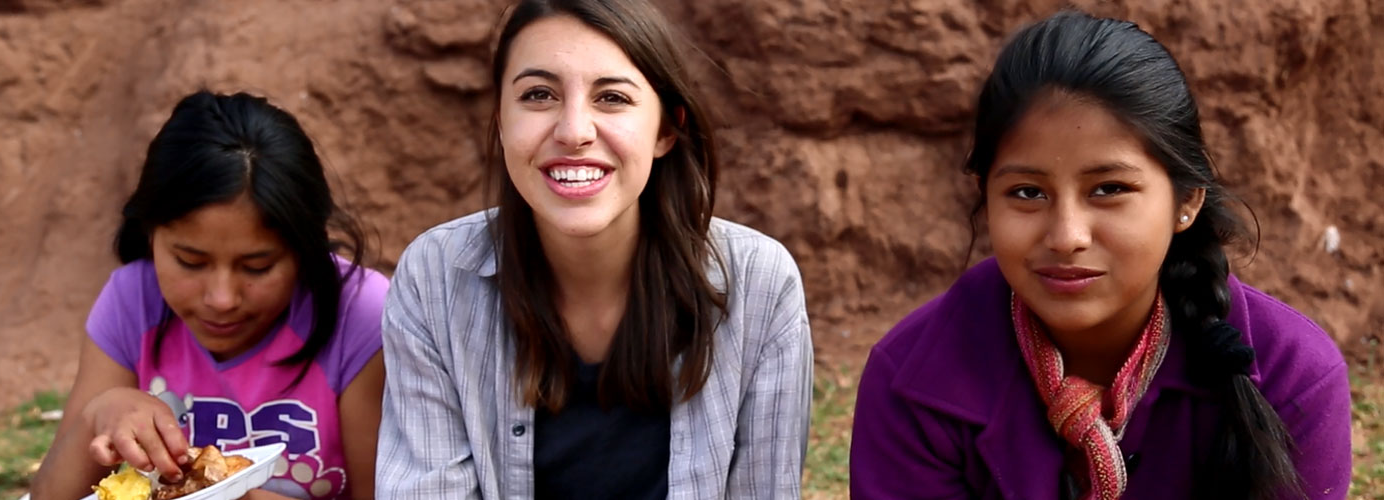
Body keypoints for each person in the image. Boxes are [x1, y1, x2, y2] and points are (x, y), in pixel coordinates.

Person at [849, 10, 1351, 500]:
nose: (1067, 236)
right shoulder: (913, 379)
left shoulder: (1290, 375)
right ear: (986, 196)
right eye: (1027, 193)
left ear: (1187, 201)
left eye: (1109, 188)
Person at [374, 0, 813, 498]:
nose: (574, 131)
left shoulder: (758, 283)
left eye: (612, 98)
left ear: (666, 129)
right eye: (539, 95)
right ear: (500, 120)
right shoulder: (435, 277)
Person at [30, 90, 387, 500]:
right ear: (150, 235)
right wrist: (101, 413)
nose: (222, 298)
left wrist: (234, 494)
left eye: (257, 267)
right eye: (190, 261)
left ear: (305, 249)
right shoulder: (134, 300)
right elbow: (48, 495)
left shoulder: (359, 315)